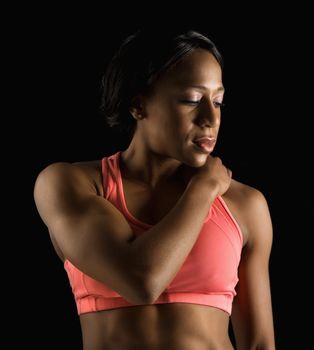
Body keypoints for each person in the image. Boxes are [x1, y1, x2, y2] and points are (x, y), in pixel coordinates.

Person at [34, 29, 275, 349]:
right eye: (191, 99)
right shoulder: (71, 185)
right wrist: (202, 190)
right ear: (138, 104)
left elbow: (259, 344)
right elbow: (141, 281)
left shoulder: (245, 204)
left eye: (218, 101)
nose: (210, 118)